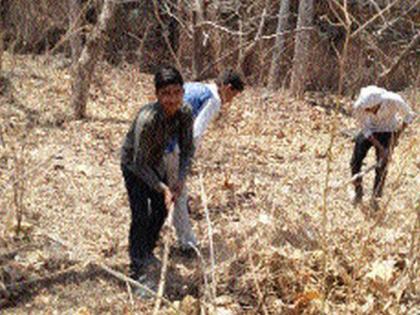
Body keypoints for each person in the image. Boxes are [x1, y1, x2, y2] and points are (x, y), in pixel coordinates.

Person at [120, 65, 195, 279]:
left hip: (155, 162)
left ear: (182, 92)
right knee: (141, 214)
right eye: (165, 94)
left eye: (176, 93)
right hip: (134, 165)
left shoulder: (185, 113)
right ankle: (137, 266)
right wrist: (163, 188)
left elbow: (188, 149)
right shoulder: (148, 119)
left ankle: (147, 251)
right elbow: (138, 163)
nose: (172, 99)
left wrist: (180, 179)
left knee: (162, 211)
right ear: (157, 95)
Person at [165, 69, 244, 251]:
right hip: (171, 147)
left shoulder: (195, 86)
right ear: (227, 88)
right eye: (233, 95)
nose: (230, 101)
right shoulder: (214, 100)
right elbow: (195, 133)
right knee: (179, 194)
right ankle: (188, 244)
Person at [350, 85, 415, 207]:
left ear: (378, 104)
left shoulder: (394, 100)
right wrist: (380, 147)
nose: (367, 111)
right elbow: (365, 129)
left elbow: (409, 115)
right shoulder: (359, 107)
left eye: (370, 109)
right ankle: (358, 193)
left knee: (382, 166)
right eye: (366, 109)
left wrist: (395, 138)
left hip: (389, 130)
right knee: (355, 161)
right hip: (370, 130)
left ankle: (376, 198)